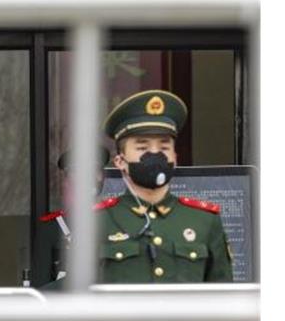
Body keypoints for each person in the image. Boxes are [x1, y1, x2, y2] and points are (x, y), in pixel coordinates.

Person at [95, 89, 233, 283]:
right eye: (142, 148)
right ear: (120, 161)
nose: (155, 154)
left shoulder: (204, 220)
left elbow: (223, 298)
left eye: (164, 147)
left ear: (175, 158)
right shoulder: (97, 221)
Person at [32, 145, 111, 288]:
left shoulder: (118, 219)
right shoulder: (53, 227)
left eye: (94, 171)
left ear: (101, 177)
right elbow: (40, 288)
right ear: (68, 179)